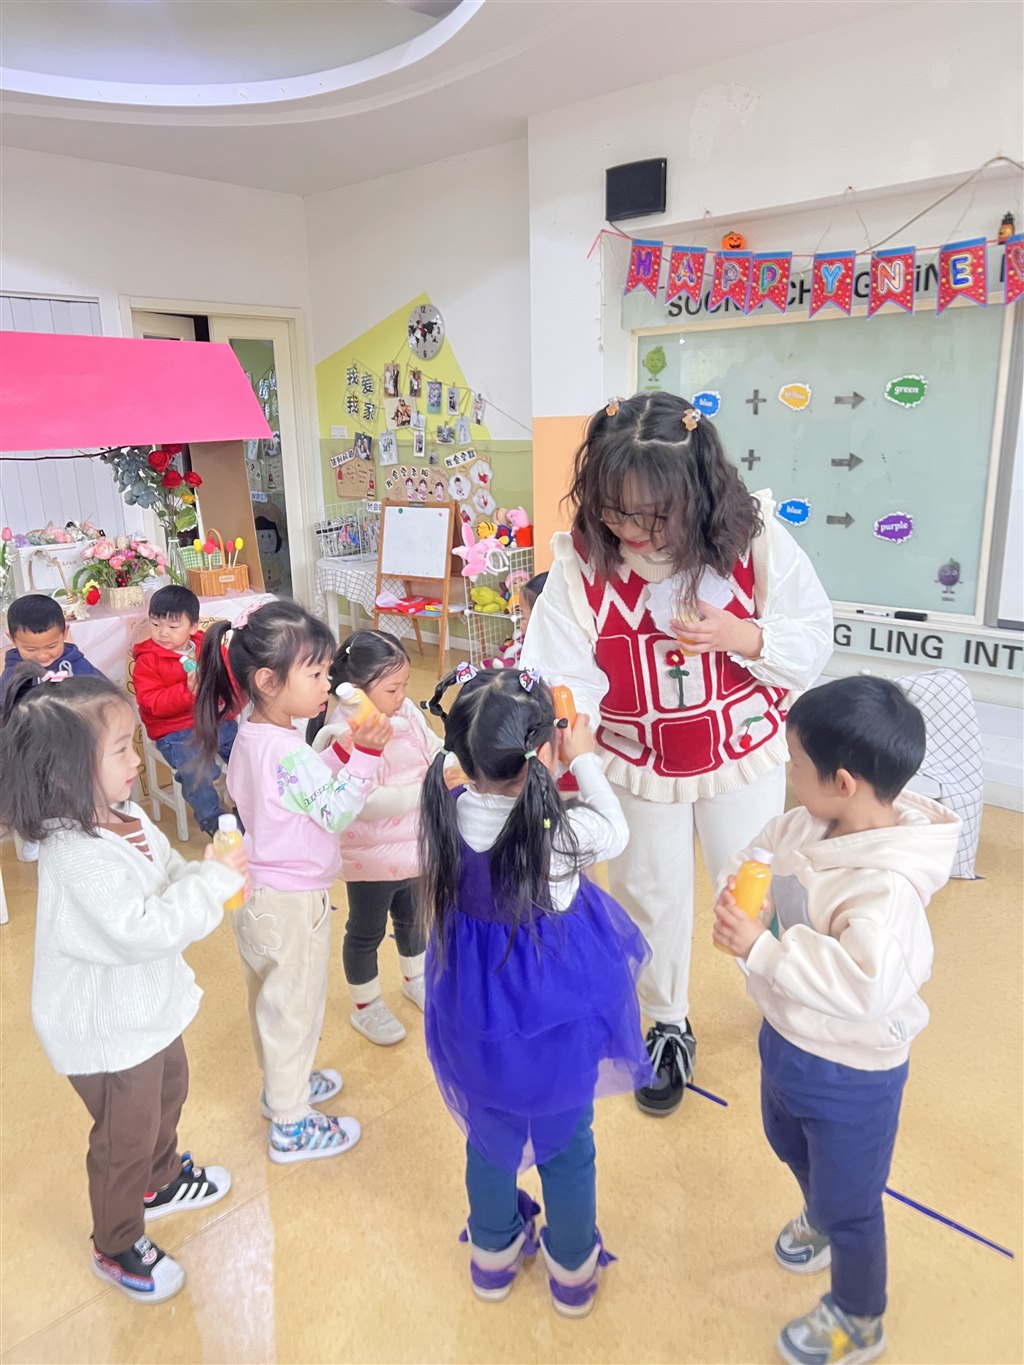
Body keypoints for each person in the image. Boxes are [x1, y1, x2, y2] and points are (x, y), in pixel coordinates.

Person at [521, 391, 833, 1116]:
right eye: (613, 509)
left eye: (651, 515)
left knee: (754, 879)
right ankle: (666, 1021)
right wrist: (570, 735)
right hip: (637, 762)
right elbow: (562, 671)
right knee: (648, 892)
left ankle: (787, 997)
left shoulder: (753, 541)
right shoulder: (581, 564)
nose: (629, 529)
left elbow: (813, 633)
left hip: (739, 752)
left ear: (696, 495)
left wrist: (742, 636)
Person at [712, 676, 958, 1365]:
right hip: (786, 1038)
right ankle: (820, 1211)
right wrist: (738, 892)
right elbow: (758, 854)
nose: (789, 776)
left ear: (842, 782)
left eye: (795, 764)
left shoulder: (886, 891)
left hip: (853, 1071)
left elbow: (864, 985)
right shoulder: (804, 823)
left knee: (854, 1203)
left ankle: (858, 1314)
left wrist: (762, 948)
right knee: (787, 1140)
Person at [0, 668, 247, 1304]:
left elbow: (166, 875)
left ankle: (158, 1180)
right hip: (104, 1027)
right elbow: (143, 929)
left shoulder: (125, 814)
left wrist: (204, 872)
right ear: (64, 774)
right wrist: (214, 885)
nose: (137, 760)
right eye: (120, 750)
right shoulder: (77, 857)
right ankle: (115, 1241)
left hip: (143, 1007)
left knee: (170, 1087)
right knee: (123, 1137)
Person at [419, 668, 654, 1316]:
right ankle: (572, 1270)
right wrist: (585, 758)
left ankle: (492, 1257)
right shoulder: (560, 834)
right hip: (555, 1021)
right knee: (568, 1143)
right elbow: (617, 830)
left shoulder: (447, 808)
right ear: (545, 749)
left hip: (475, 1015)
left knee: (488, 1136)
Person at [194, 600, 392, 1163]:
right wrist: (366, 756)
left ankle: (284, 1086)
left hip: (257, 893)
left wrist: (343, 751)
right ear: (268, 680)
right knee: (295, 1008)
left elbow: (296, 795)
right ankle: (290, 1122)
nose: (328, 684)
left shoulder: (253, 734)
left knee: (271, 1000)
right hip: (293, 902)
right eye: (316, 673)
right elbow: (335, 812)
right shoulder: (286, 751)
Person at [306, 630, 442, 1046]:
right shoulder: (347, 732)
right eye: (392, 689)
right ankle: (365, 1006)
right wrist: (429, 791)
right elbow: (366, 803)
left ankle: (415, 980)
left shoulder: (407, 713)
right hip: (372, 859)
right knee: (365, 932)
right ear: (355, 690)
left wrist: (451, 761)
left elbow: (432, 746)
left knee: (413, 920)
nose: (402, 696)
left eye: (404, 686)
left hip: (415, 846)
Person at [132, 586, 236, 838]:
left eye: (172, 626)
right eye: (155, 624)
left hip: (214, 719)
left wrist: (222, 699)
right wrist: (188, 693)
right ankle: (212, 819)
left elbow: (231, 680)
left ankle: (250, 804)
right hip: (175, 730)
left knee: (247, 751)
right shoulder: (148, 660)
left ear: (193, 627)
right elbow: (151, 703)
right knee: (197, 770)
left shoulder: (209, 647)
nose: (162, 633)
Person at [1, 593, 102, 696]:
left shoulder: (77, 664)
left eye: (51, 646)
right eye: (31, 649)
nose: (42, 656)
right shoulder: (13, 673)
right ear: (12, 639)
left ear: (65, 633)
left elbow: (104, 695)